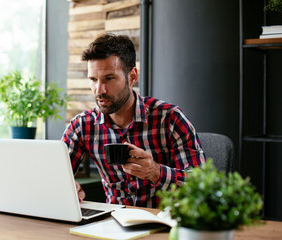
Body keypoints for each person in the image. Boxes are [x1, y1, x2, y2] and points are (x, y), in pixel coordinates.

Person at [61, 33, 205, 208]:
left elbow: (201, 186)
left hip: (165, 224)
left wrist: (155, 172)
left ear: (132, 77)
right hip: (113, 225)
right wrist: (67, 187)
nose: (99, 90)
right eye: (93, 80)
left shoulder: (170, 119)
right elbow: (54, 175)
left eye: (109, 78)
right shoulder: (82, 126)